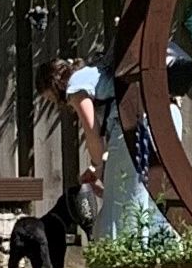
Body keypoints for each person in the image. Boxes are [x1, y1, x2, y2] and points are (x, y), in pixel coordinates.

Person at [38, 55, 174, 245]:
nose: (53, 102)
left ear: (53, 84)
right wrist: (101, 175)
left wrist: (99, 167)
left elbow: (93, 135)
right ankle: (165, 254)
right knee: (149, 198)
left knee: (126, 209)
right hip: (167, 115)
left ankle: (130, 265)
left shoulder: (75, 86)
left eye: (49, 97)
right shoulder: (92, 74)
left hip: (136, 124)